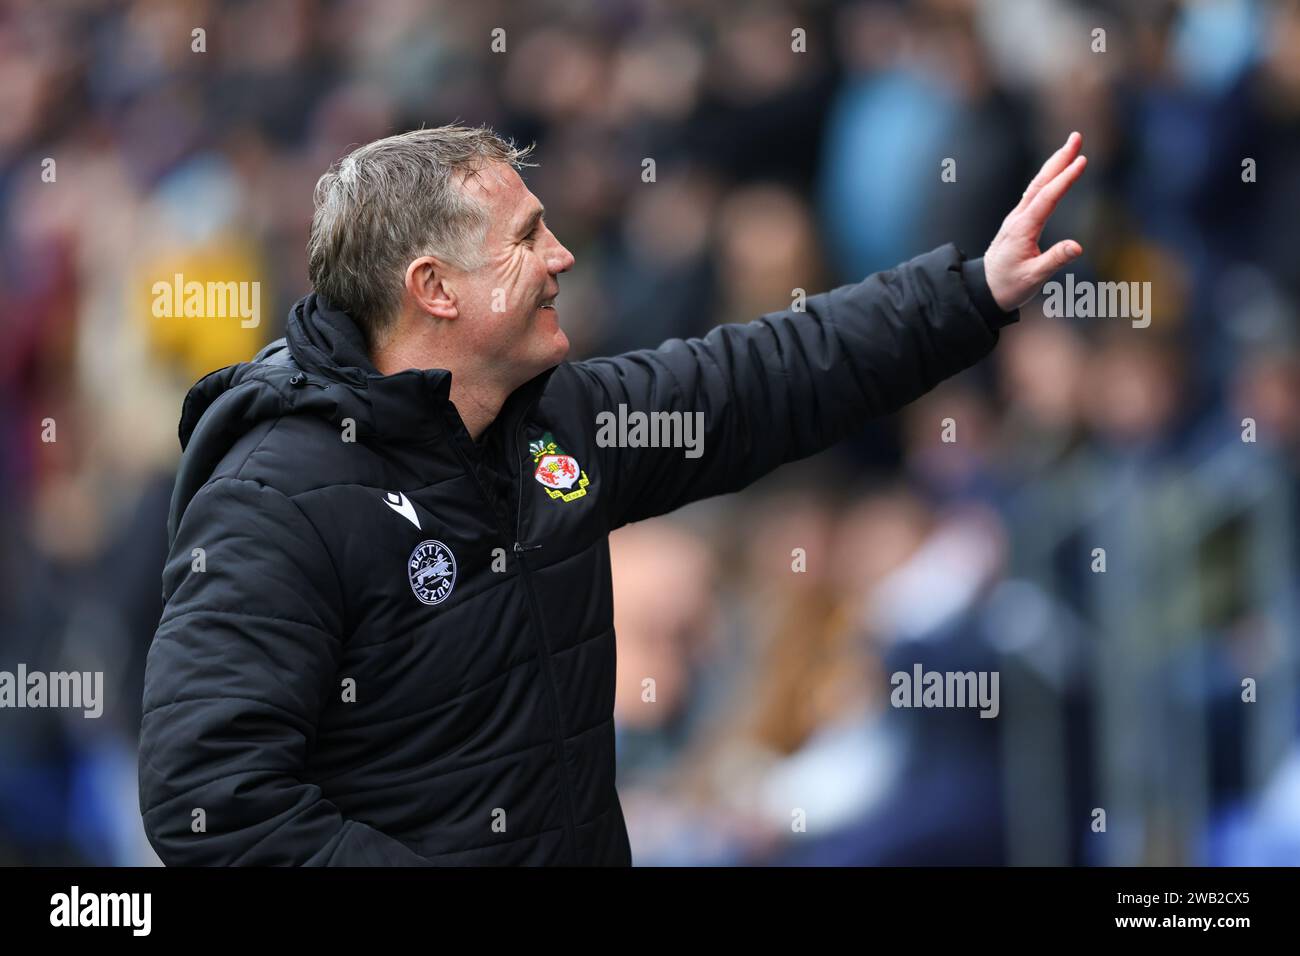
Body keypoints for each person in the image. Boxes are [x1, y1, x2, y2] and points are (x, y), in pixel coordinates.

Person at [137, 124, 1087, 865]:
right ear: (433, 288)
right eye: (526, 237)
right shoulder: (277, 498)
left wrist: (970, 293)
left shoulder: (554, 424)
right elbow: (210, 791)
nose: (563, 256)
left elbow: (764, 376)